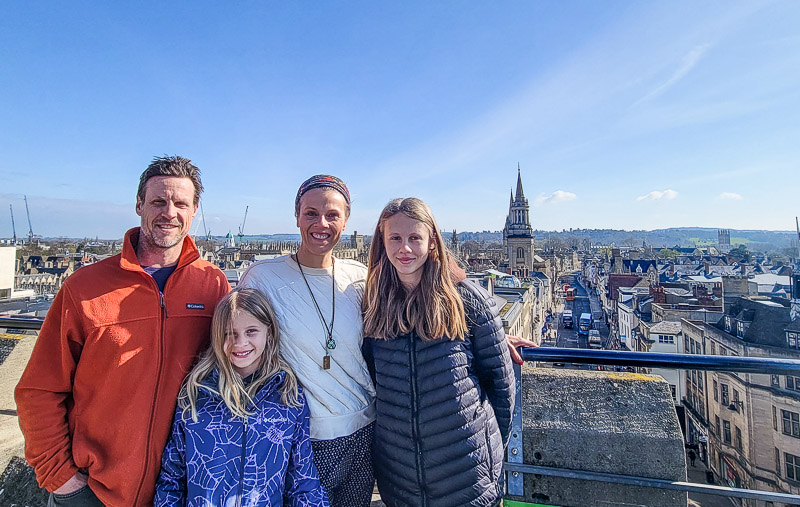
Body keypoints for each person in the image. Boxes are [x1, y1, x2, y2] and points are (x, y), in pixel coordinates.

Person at [15, 156, 230, 506]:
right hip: (94, 491)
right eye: (158, 201)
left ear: (194, 212)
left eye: (181, 203)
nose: (169, 212)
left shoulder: (213, 284)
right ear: (138, 205)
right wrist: (61, 478)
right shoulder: (84, 287)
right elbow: (39, 389)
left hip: (183, 489)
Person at [362, 197, 515, 507]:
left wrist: (487, 459)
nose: (405, 248)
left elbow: (501, 386)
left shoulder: (466, 299)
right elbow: (375, 382)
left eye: (414, 238)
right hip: (400, 482)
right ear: (382, 241)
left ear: (432, 241)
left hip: (468, 480)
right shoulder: (374, 303)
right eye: (395, 238)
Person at [238, 175, 376, 507]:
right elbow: (236, 347)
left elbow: (409, 318)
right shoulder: (262, 278)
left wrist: (491, 333)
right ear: (297, 216)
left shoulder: (360, 276)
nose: (321, 223)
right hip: (300, 437)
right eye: (311, 213)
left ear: (346, 221)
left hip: (365, 431)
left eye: (332, 214)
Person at [154, 288, 329, 506]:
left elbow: (302, 481)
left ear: (270, 332)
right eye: (230, 334)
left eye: (251, 331)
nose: (240, 343)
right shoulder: (196, 394)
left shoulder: (287, 396)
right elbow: (172, 479)